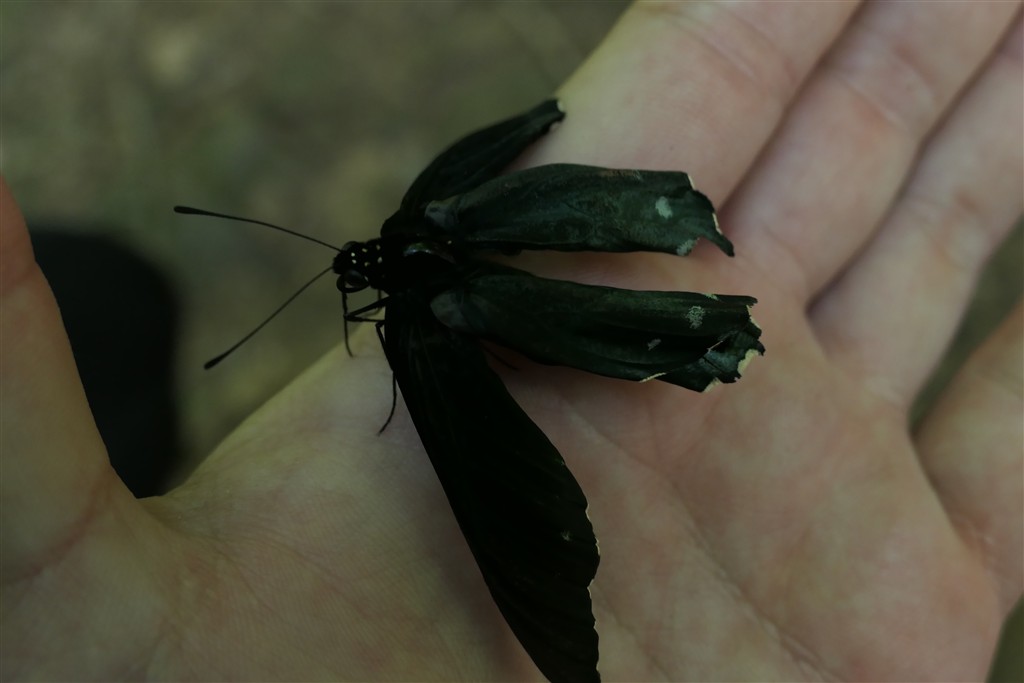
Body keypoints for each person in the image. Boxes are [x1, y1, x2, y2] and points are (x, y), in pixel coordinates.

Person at [2, 3, 1020, 680]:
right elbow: (495, 151)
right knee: (495, 320)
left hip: (476, 267)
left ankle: (694, 322)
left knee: (483, 324)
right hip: (482, 256)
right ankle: (692, 323)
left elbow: (511, 138)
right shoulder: (423, 241)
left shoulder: (413, 307)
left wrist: (540, 122)